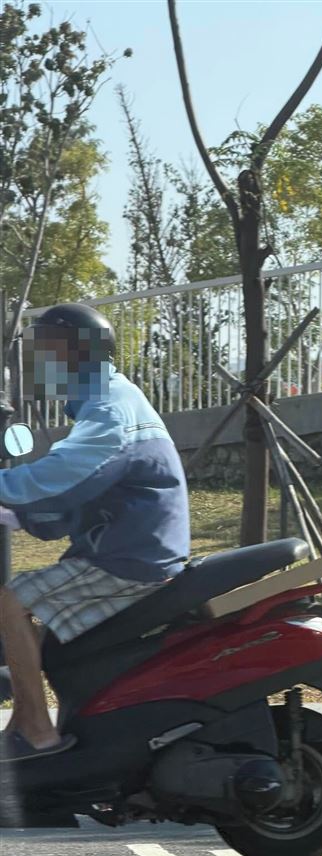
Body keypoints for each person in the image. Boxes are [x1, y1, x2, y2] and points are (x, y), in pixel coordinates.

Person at [0, 303, 190, 762]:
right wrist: (18, 514)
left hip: (130, 557)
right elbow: (85, 493)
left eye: (49, 351)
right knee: (35, 633)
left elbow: (71, 473)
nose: (40, 363)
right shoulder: (104, 400)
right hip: (127, 546)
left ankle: (40, 733)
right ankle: (22, 728)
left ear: (78, 353)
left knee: (10, 601)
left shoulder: (108, 405)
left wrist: (10, 493)